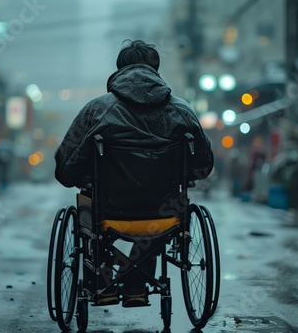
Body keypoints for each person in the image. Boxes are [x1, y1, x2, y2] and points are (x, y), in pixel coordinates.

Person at [54, 39, 214, 307]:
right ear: (156, 70)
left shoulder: (97, 110)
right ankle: (136, 286)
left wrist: (86, 178)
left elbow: (65, 170)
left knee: (88, 204)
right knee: (163, 208)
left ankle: (102, 283)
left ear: (119, 70)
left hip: (108, 210)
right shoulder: (181, 111)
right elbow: (204, 165)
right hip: (163, 215)